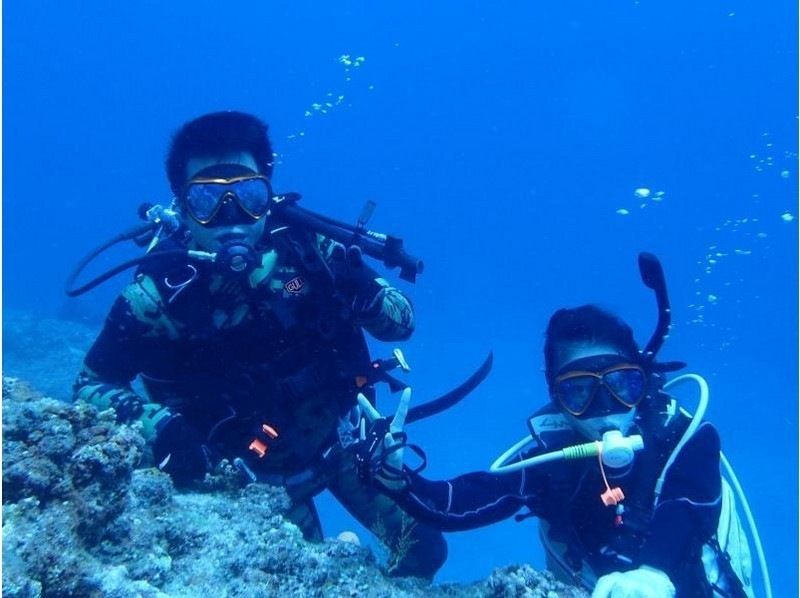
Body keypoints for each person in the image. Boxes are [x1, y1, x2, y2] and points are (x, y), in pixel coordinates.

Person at [73, 110, 446, 578]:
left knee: (426, 552)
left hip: (345, 442)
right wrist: (162, 427)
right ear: (182, 206)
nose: (230, 217)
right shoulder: (158, 297)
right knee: (302, 577)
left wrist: (365, 293)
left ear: (268, 196)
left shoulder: (311, 251)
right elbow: (91, 383)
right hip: (252, 482)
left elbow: (402, 324)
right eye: (207, 199)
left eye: (247, 196)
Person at [358, 278, 755, 596]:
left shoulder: (686, 438)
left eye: (622, 384)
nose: (606, 405)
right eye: (580, 391)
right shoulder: (553, 467)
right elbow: (467, 499)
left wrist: (652, 574)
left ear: (644, 382)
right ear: (557, 400)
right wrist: (400, 481)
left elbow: (688, 502)